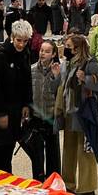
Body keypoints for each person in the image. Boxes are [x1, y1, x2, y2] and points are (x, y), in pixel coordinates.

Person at [57, 34, 98, 195]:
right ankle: (68, 184)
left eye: (68, 46)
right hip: (69, 113)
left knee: (85, 150)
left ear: (77, 49)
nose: (65, 49)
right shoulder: (67, 63)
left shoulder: (90, 64)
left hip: (85, 113)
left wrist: (86, 79)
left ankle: (87, 188)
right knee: (69, 149)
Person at [0, 20, 33, 173]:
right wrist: (0, 113)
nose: (22, 44)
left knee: (8, 149)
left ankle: (5, 178)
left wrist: (26, 104)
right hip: (1, 109)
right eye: (19, 40)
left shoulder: (25, 53)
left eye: (25, 41)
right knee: (2, 150)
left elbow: (27, 80)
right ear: (11, 37)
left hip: (15, 109)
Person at [25, 40, 62, 182]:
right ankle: (38, 180)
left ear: (53, 54)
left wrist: (56, 77)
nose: (43, 54)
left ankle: (54, 180)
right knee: (37, 154)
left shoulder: (59, 70)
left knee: (53, 153)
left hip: (51, 117)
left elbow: (60, 94)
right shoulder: (32, 70)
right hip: (36, 117)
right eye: (41, 50)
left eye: (47, 51)